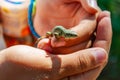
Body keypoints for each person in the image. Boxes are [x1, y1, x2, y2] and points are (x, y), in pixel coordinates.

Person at [0, 0, 112, 80]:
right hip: (54, 32)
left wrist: (35, 14)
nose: (72, 36)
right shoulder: (64, 34)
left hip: (52, 31)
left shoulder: (66, 34)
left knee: (59, 42)